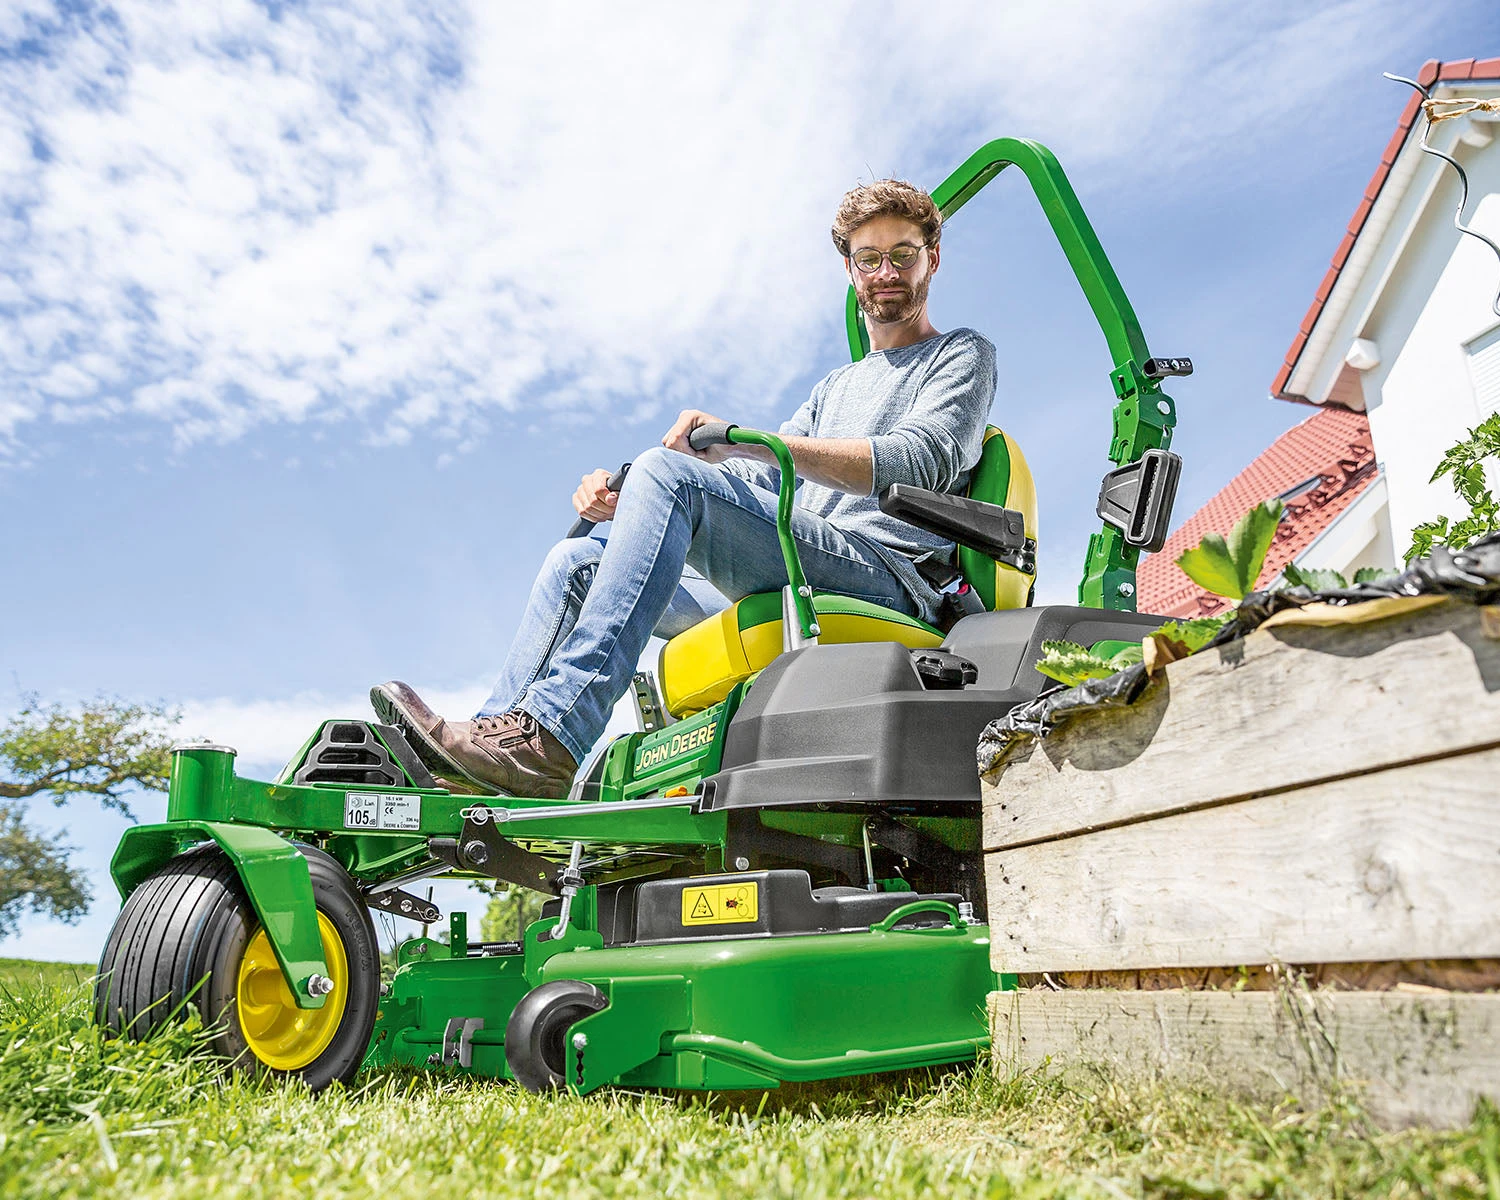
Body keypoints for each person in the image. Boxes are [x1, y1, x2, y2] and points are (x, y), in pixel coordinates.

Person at [373, 179, 997, 798]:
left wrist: (735, 443)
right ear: (850, 269)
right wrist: (632, 502)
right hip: (801, 564)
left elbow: (921, 459)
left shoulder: (960, 355)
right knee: (578, 562)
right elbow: (761, 477)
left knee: (668, 475)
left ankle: (555, 734)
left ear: (931, 259)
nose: (886, 271)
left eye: (903, 254)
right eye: (870, 258)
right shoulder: (833, 389)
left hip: (885, 574)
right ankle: (490, 757)